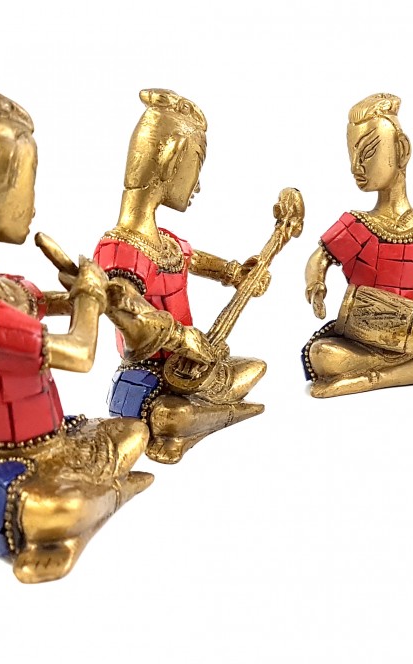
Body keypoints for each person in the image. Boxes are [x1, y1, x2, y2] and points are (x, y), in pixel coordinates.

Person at [0, 87, 152, 583]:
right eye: (28, 184)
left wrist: (85, 291)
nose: (33, 204)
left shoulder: (2, 289)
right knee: (57, 507)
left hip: (55, 444)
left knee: (134, 431)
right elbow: (80, 353)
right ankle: (87, 514)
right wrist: (89, 299)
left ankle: (96, 503)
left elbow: (49, 304)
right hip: (0, 480)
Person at [94, 89, 269, 464]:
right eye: (196, 166)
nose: (198, 185)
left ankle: (202, 417)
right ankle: (210, 419)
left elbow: (199, 260)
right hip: (143, 379)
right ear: (172, 158)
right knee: (172, 415)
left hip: (189, 369)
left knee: (254, 367)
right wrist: (182, 337)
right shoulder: (120, 249)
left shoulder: (167, 243)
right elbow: (129, 316)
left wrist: (236, 273)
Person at [302, 93, 413, 398]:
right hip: (359, 340)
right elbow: (319, 259)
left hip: (411, 337)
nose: (356, 166)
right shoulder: (356, 224)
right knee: (323, 354)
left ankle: (365, 380)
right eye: (351, 155)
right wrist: (316, 287)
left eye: (367, 152)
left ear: (401, 150)